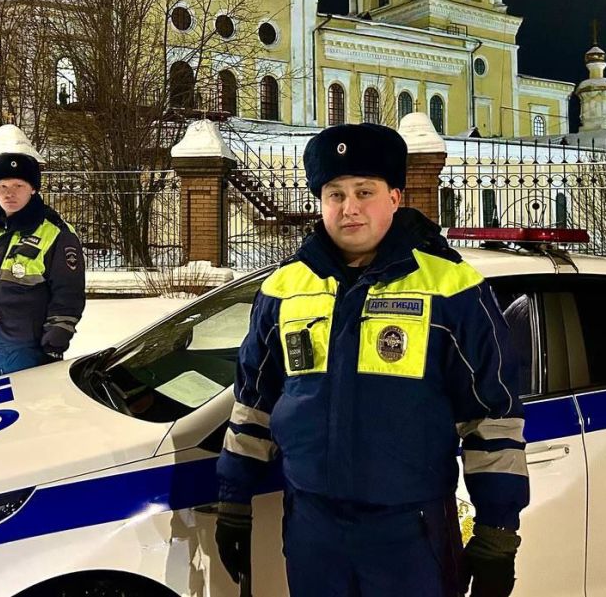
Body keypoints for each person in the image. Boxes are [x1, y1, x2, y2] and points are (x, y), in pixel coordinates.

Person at [215, 123, 528, 597]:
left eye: (365, 191)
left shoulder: (451, 287)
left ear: (395, 197)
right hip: (312, 529)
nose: (350, 207)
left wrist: (497, 534)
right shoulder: (283, 288)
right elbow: (253, 404)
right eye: (335, 194)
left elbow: (491, 416)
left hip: (411, 531)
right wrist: (234, 501)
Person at [0, 141, 86, 385]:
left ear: (33, 188)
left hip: (31, 358)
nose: (9, 193)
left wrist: (53, 350)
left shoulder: (56, 234)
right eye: (2, 186)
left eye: (18, 185)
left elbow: (68, 298)